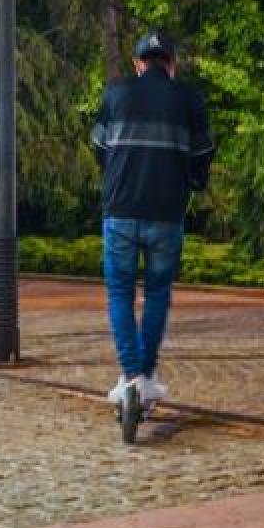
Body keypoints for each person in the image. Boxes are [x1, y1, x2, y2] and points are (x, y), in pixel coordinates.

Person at [91, 30, 214, 410]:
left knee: (120, 292)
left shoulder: (116, 93)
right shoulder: (189, 99)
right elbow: (203, 153)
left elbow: (97, 146)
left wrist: (116, 172)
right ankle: (145, 376)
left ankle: (131, 377)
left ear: (138, 64)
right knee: (157, 292)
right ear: (172, 65)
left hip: (121, 209)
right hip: (167, 212)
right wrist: (194, 181)